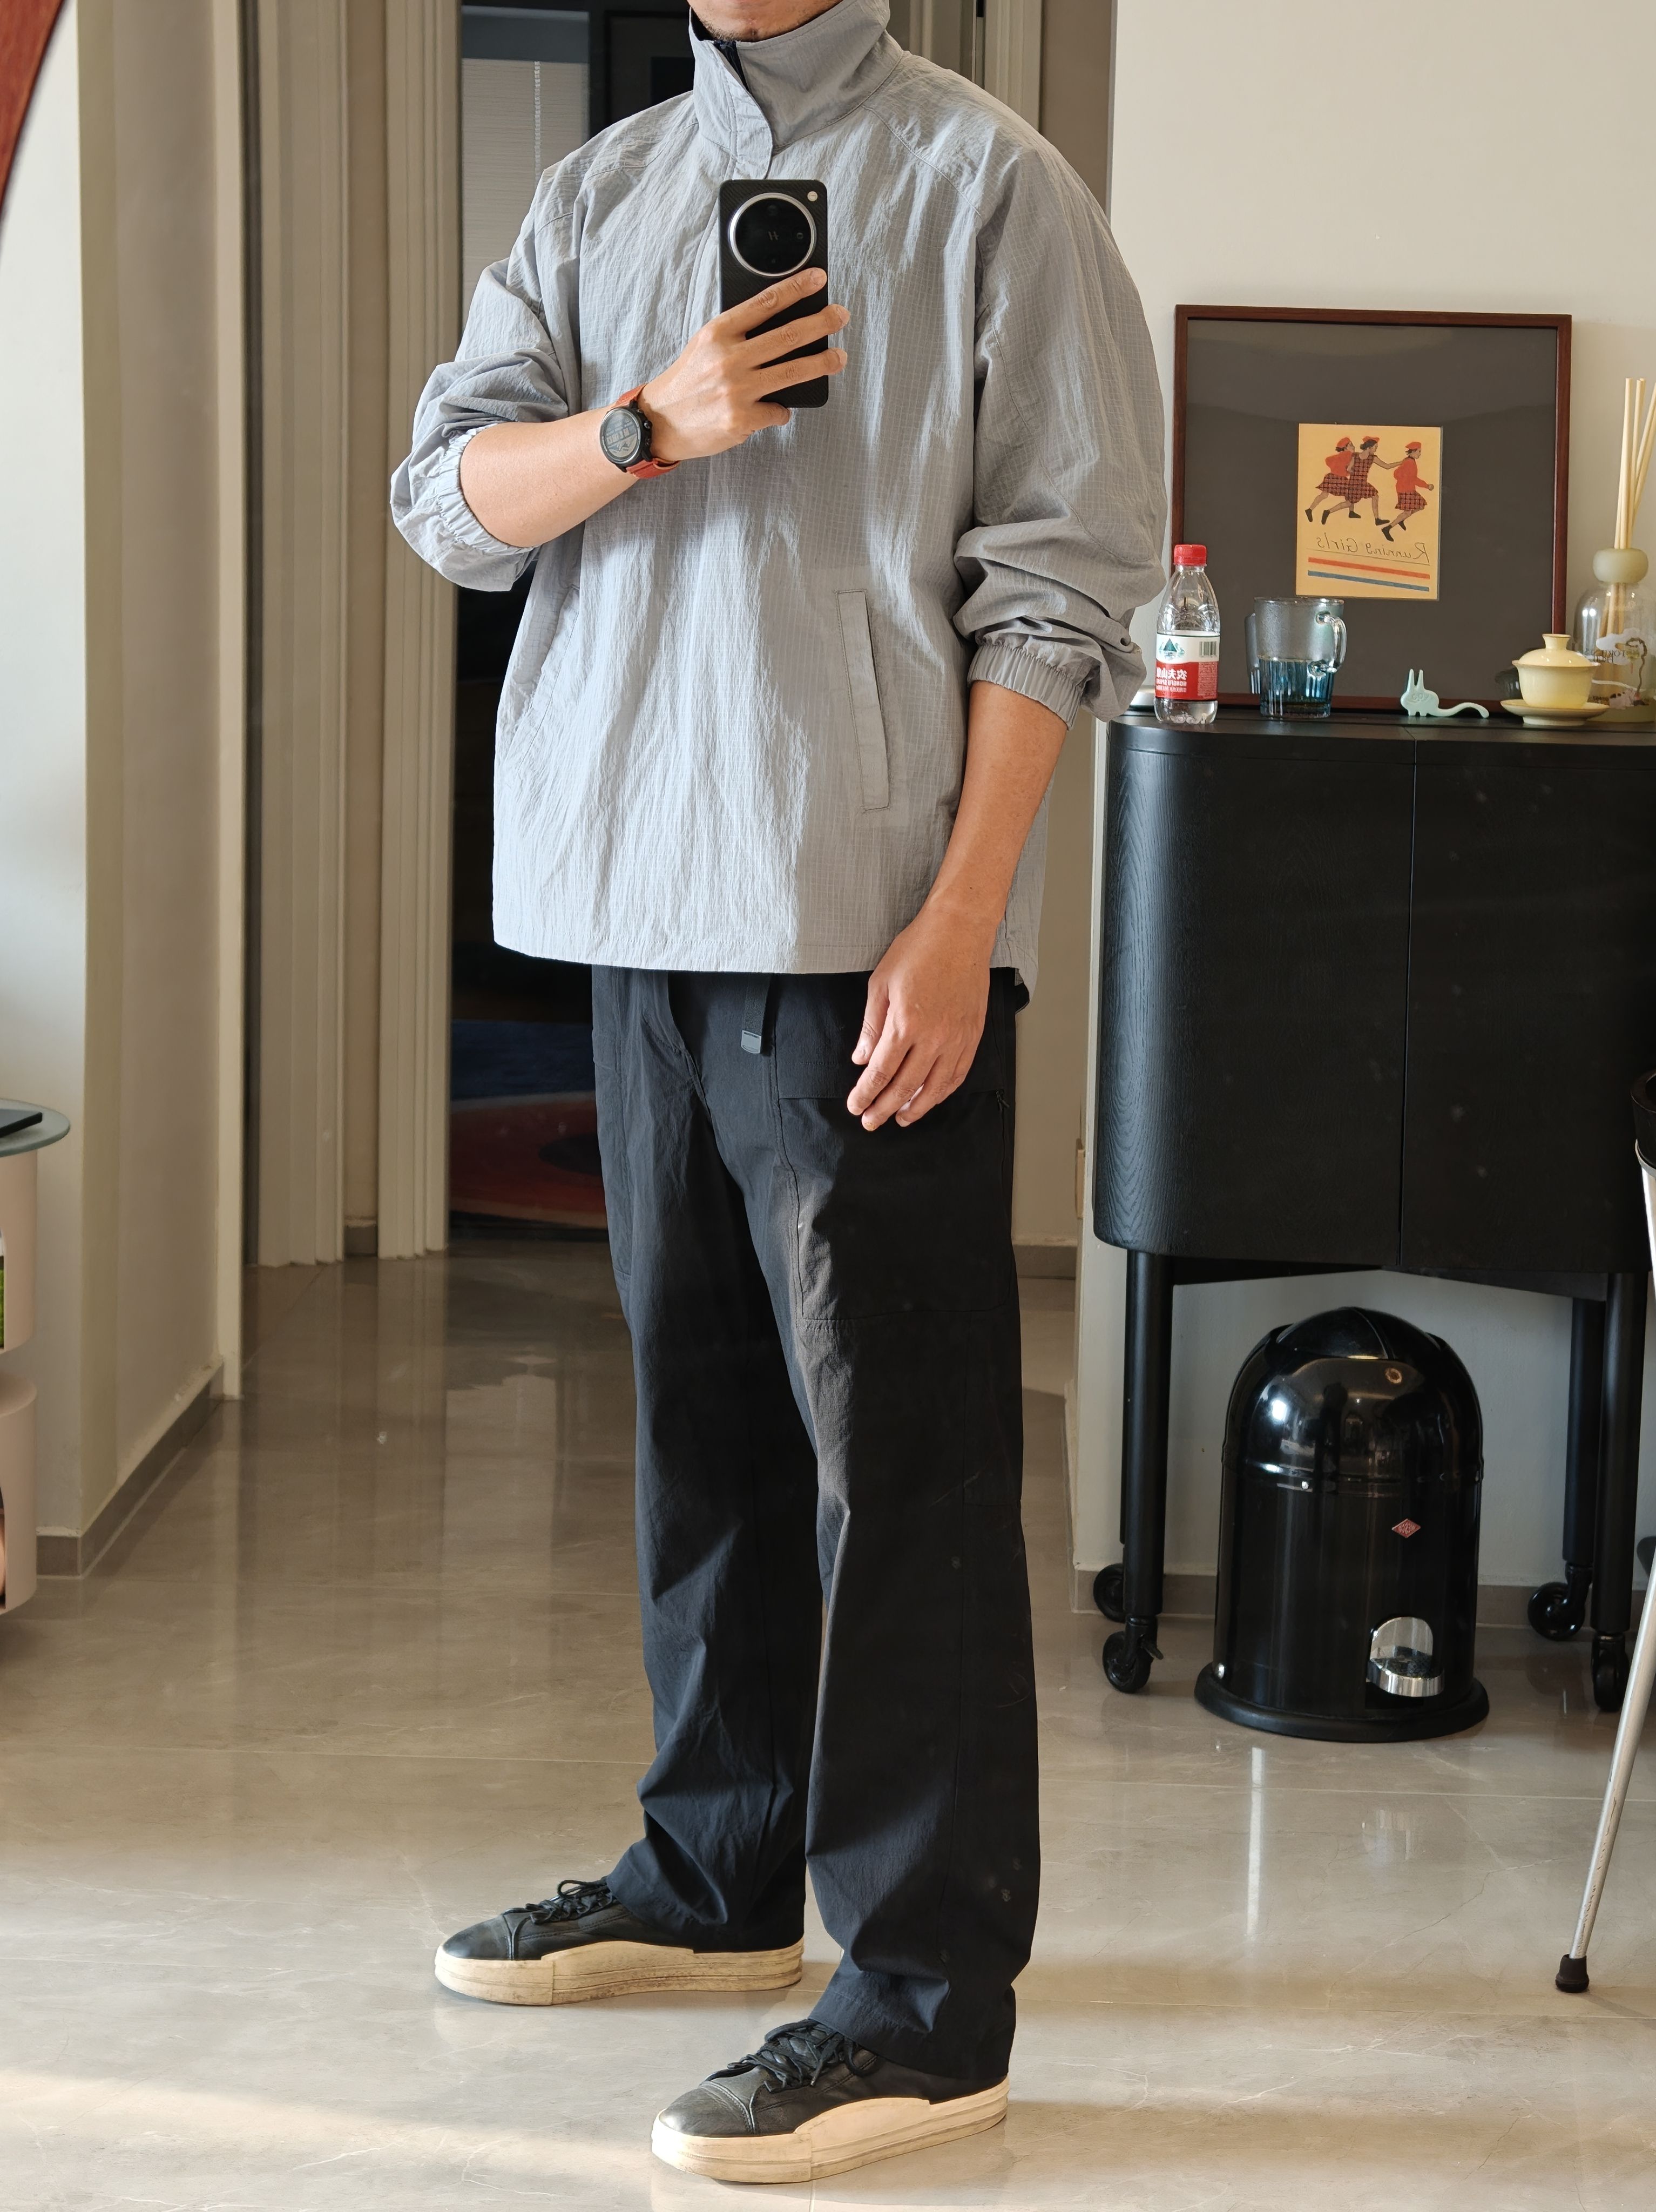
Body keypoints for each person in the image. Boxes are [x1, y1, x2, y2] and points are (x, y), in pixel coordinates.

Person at [392, 0, 1162, 2182]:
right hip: (628, 909)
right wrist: (651, 419)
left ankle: (924, 2000)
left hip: (857, 929)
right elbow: (448, 503)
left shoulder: (993, 189)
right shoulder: (598, 198)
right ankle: (719, 1864)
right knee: (703, 1421)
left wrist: (962, 917)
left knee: (902, 1466)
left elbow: (1065, 585)